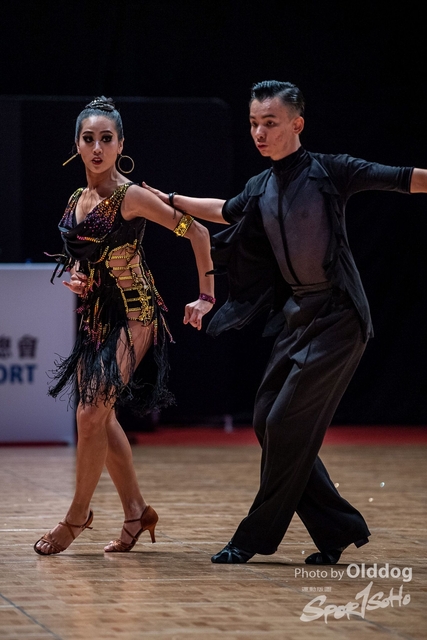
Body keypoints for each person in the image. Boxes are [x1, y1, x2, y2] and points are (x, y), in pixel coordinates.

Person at [143, 80, 427, 565]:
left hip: (339, 317)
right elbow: (224, 211)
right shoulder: (261, 186)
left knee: (282, 423)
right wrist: (171, 199)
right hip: (299, 316)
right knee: (266, 422)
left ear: (297, 124)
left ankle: (253, 536)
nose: (259, 132)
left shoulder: (330, 170)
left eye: (269, 123)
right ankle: (337, 528)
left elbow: (403, 178)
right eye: (254, 123)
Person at [34, 96, 215, 555]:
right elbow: (85, 256)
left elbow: (197, 232)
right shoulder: (77, 199)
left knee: (89, 414)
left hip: (136, 313)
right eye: (88, 139)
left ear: (120, 145)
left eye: (106, 139)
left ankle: (77, 516)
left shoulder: (130, 196)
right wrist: (80, 277)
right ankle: (136, 511)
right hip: (99, 315)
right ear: (77, 145)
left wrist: (206, 295)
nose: (97, 148)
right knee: (101, 416)